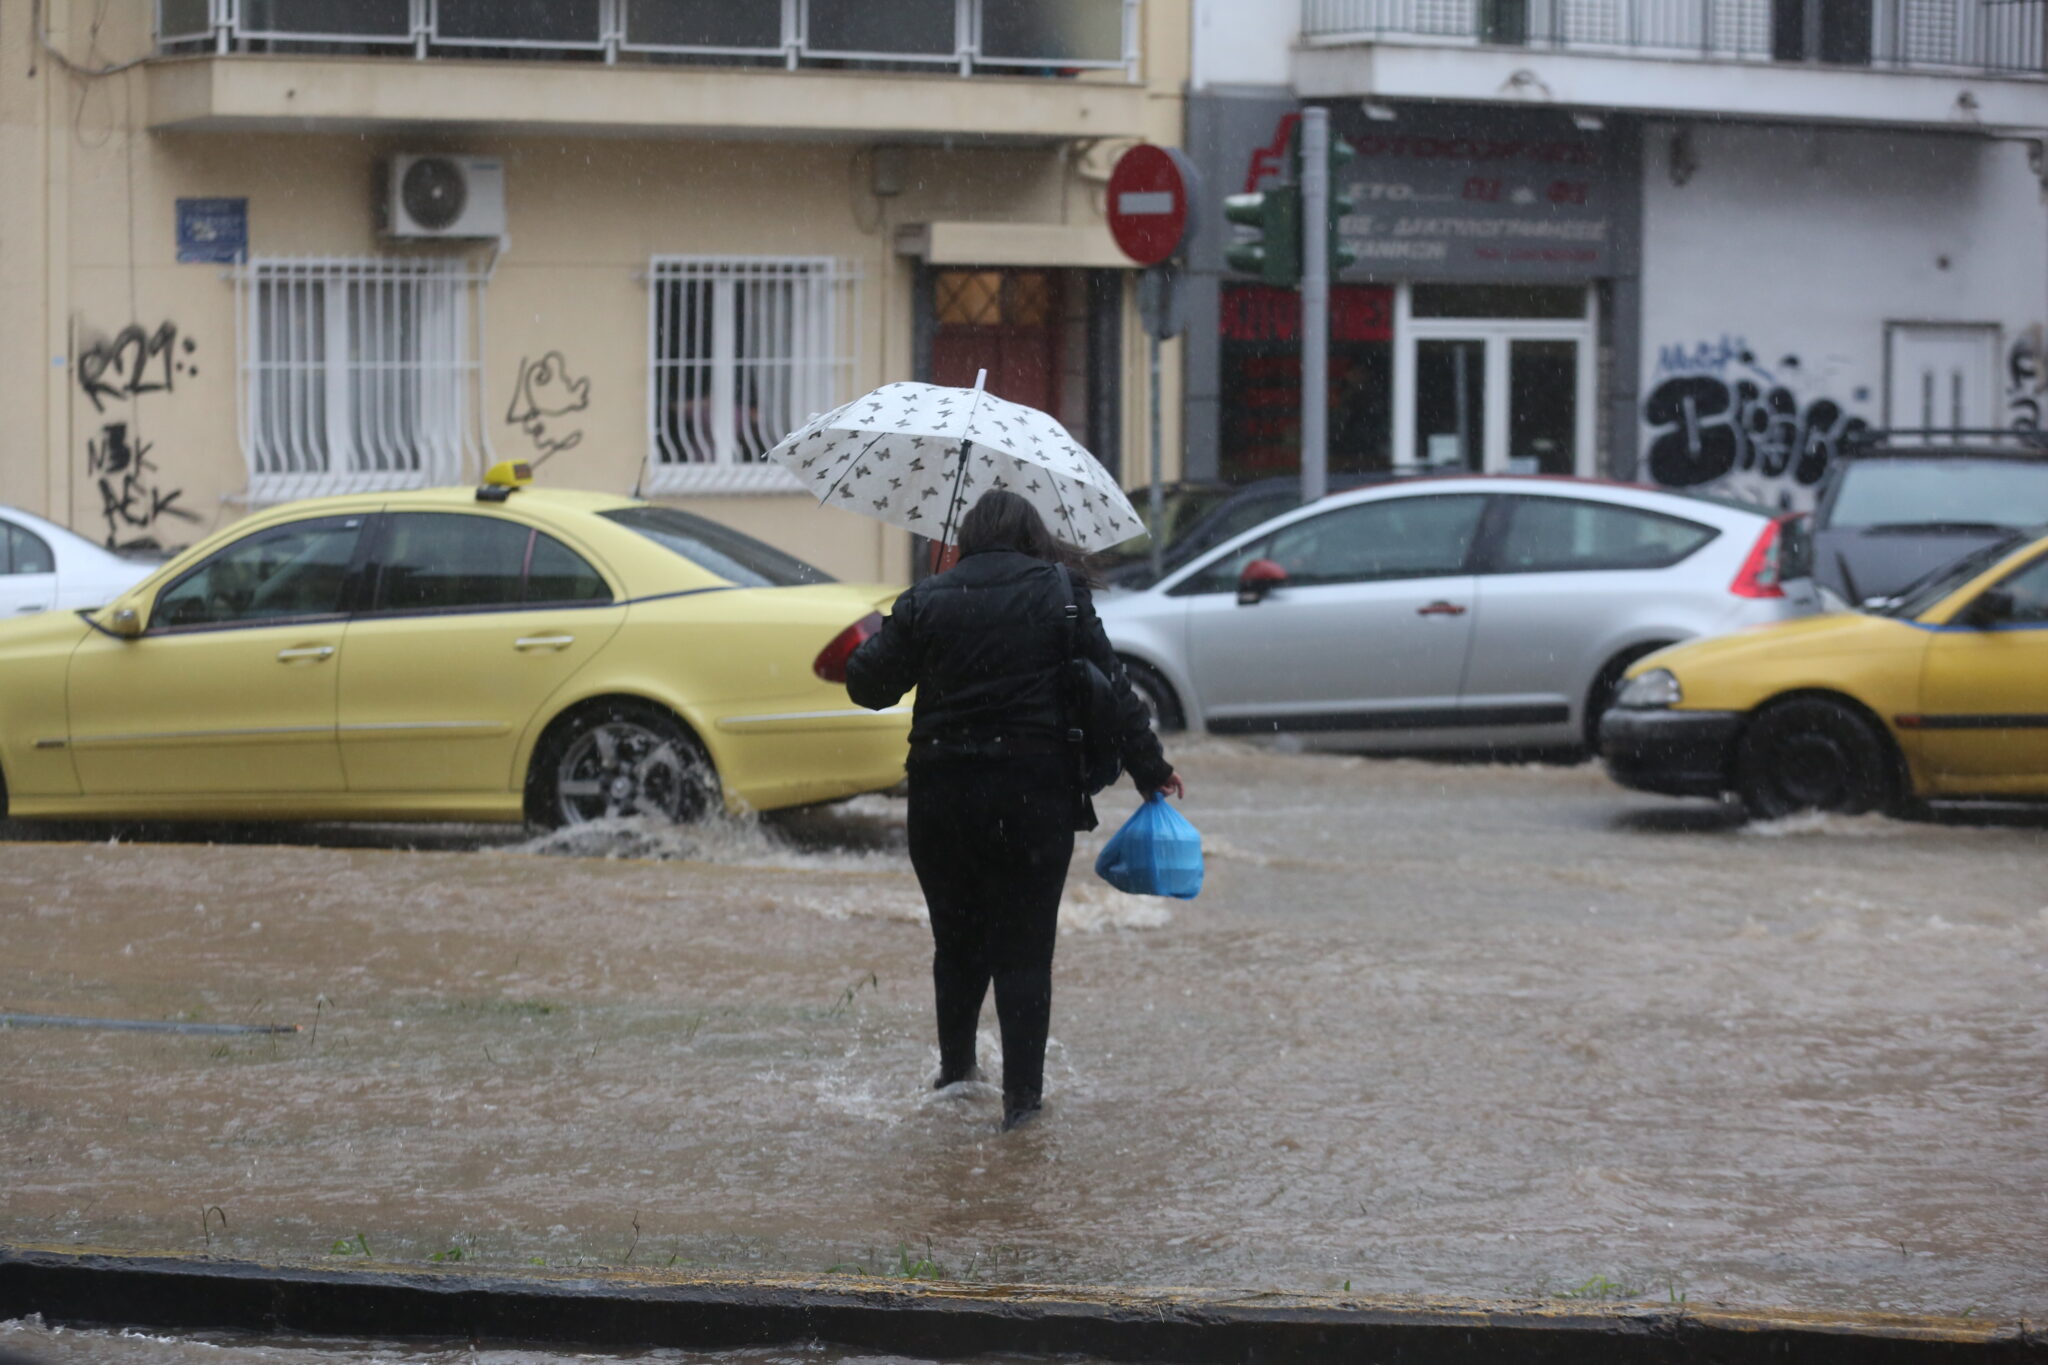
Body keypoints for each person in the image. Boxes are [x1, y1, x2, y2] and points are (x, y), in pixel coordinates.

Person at [846, 489, 1182, 1131]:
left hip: (943, 800)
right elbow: (1112, 685)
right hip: (1035, 796)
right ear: (1032, 538)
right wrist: (1152, 770)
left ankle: (956, 1078)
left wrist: (903, 615)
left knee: (957, 943)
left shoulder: (929, 598)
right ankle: (1022, 1107)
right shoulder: (1061, 591)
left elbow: (868, 685)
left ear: (966, 538)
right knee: (1025, 950)